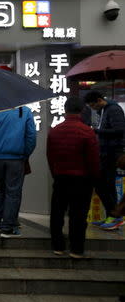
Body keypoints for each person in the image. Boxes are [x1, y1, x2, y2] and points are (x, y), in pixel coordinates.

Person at [47, 96, 100, 258]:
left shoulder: (55, 131)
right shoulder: (88, 132)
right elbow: (93, 160)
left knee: (57, 213)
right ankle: (76, 249)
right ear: (82, 110)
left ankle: (58, 246)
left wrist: (55, 174)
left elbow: (50, 156)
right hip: (82, 180)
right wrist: (95, 179)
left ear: (65, 110)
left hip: (60, 177)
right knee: (78, 214)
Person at [0, 107, 36, 238]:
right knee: (13, 192)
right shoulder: (25, 111)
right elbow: (31, 136)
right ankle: (7, 227)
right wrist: (24, 153)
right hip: (16, 157)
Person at [84, 91, 125, 230]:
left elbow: (120, 130)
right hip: (106, 152)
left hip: (113, 153)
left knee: (104, 184)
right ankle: (111, 216)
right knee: (105, 185)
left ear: (99, 100)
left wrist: (96, 131)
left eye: (92, 105)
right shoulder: (104, 110)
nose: (92, 108)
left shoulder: (114, 109)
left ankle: (116, 216)